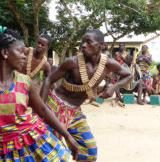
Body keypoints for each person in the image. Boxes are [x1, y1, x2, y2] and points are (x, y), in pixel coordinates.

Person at [0, 28, 79, 162]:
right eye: (20, 52)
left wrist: (67, 135)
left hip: (34, 141)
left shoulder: (25, 81)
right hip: (2, 149)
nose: (24, 56)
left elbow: (43, 110)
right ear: (5, 52)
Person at [40, 29, 133, 161]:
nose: (84, 45)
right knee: (52, 151)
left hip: (75, 112)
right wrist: (42, 108)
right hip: (55, 106)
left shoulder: (108, 63)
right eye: (83, 42)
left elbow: (129, 75)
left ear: (100, 44)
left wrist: (114, 86)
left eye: (88, 42)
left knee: (90, 151)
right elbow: (49, 80)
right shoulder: (72, 62)